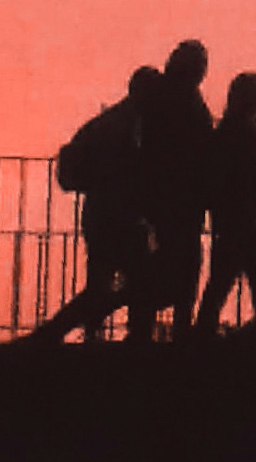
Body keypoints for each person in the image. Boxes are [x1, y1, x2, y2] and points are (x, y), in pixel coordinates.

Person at [29, 68, 160, 344]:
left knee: (101, 285)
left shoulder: (110, 119)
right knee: (141, 281)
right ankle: (136, 340)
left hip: (99, 214)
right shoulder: (132, 124)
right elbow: (133, 172)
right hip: (120, 217)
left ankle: (65, 333)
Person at [190, 72, 256, 341]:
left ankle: (208, 327)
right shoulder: (241, 127)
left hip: (238, 214)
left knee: (231, 274)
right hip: (242, 214)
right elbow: (243, 172)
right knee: (247, 273)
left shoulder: (239, 124)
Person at [138, 40, 217, 340]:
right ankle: (180, 330)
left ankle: (146, 327)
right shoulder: (185, 101)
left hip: (166, 200)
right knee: (184, 269)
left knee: (163, 267)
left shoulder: (162, 97)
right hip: (181, 201)